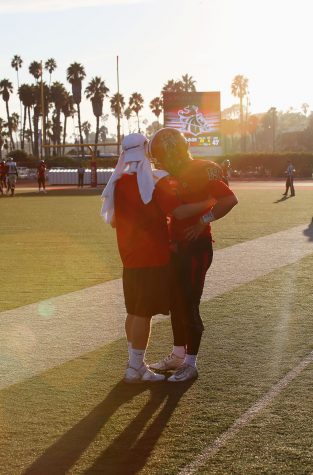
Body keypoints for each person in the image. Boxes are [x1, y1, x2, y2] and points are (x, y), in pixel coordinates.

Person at [101, 133, 215, 384]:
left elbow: (113, 222)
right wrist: (208, 202)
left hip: (129, 257)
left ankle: (135, 363)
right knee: (143, 314)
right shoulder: (152, 181)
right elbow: (178, 210)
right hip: (151, 257)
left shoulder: (119, 182)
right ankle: (134, 368)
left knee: (133, 312)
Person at [148, 128, 238, 382]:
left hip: (196, 246)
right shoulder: (171, 176)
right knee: (175, 302)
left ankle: (191, 362)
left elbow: (229, 199)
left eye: (161, 156)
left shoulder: (201, 169)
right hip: (177, 246)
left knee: (189, 303)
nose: (160, 162)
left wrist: (203, 220)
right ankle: (178, 354)